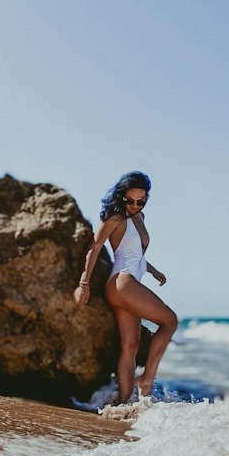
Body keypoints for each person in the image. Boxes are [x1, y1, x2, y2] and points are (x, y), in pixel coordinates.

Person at [73, 171, 177, 403]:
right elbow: (95, 246)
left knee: (130, 346)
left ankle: (124, 403)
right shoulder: (115, 217)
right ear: (121, 196)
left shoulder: (141, 218)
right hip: (122, 282)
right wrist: (84, 283)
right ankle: (146, 378)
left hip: (127, 284)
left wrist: (153, 270)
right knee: (170, 321)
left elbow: (134, 255)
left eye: (141, 201)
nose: (134, 205)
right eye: (129, 200)